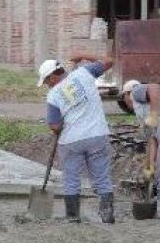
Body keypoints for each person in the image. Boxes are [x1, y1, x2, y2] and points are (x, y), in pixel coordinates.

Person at [38, 54, 115, 223]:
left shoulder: (53, 95)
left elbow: (54, 126)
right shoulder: (84, 72)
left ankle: (73, 217)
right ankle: (107, 215)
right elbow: (109, 61)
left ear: (53, 76)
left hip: (71, 141)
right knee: (102, 177)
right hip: (97, 135)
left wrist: (61, 123)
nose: (46, 85)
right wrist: (83, 55)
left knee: (71, 179)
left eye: (46, 81)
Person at [121, 79, 160, 220]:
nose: (124, 101)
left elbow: (155, 86)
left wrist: (154, 113)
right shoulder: (141, 112)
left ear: (127, 94)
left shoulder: (136, 92)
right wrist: (150, 165)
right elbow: (152, 140)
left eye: (123, 97)